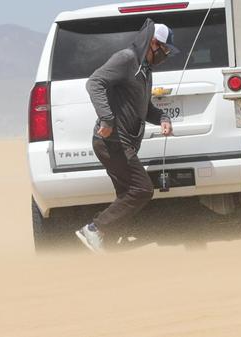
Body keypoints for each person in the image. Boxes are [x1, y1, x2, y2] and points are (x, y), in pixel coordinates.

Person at [75, 19, 177, 252]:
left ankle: (106, 246)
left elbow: (144, 107)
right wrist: (107, 119)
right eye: (165, 49)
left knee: (126, 197)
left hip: (123, 142)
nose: (167, 55)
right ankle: (94, 229)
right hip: (111, 141)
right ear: (153, 43)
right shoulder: (127, 59)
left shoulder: (145, 70)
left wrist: (163, 118)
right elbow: (95, 83)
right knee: (142, 190)